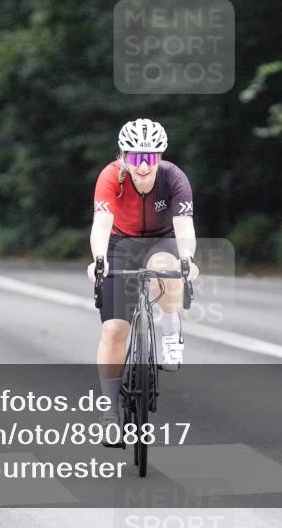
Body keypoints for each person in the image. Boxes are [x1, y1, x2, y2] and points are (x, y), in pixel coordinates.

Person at [87, 119, 199, 433]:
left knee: (167, 266)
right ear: (123, 156)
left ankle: (171, 330)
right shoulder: (111, 176)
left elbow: (184, 227)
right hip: (120, 242)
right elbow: (101, 223)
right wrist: (99, 258)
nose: (144, 165)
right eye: (135, 157)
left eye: (151, 157)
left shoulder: (174, 178)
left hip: (161, 239)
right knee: (113, 331)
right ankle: (109, 412)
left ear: (160, 158)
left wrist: (187, 257)